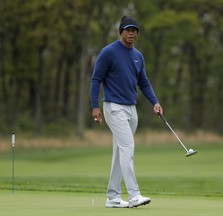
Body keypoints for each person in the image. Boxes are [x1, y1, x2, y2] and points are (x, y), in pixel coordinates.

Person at [90, 16, 163, 208]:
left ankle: (112, 197)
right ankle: (134, 195)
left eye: (135, 30)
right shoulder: (108, 52)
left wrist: (154, 102)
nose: (131, 33)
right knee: (128, 148)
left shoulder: (138, 56)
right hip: (114, 107)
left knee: (120, 152)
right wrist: (95, 106)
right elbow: (95, 79)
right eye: (128, 30)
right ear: (121, 31)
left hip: (132, 109)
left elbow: (143, 82)